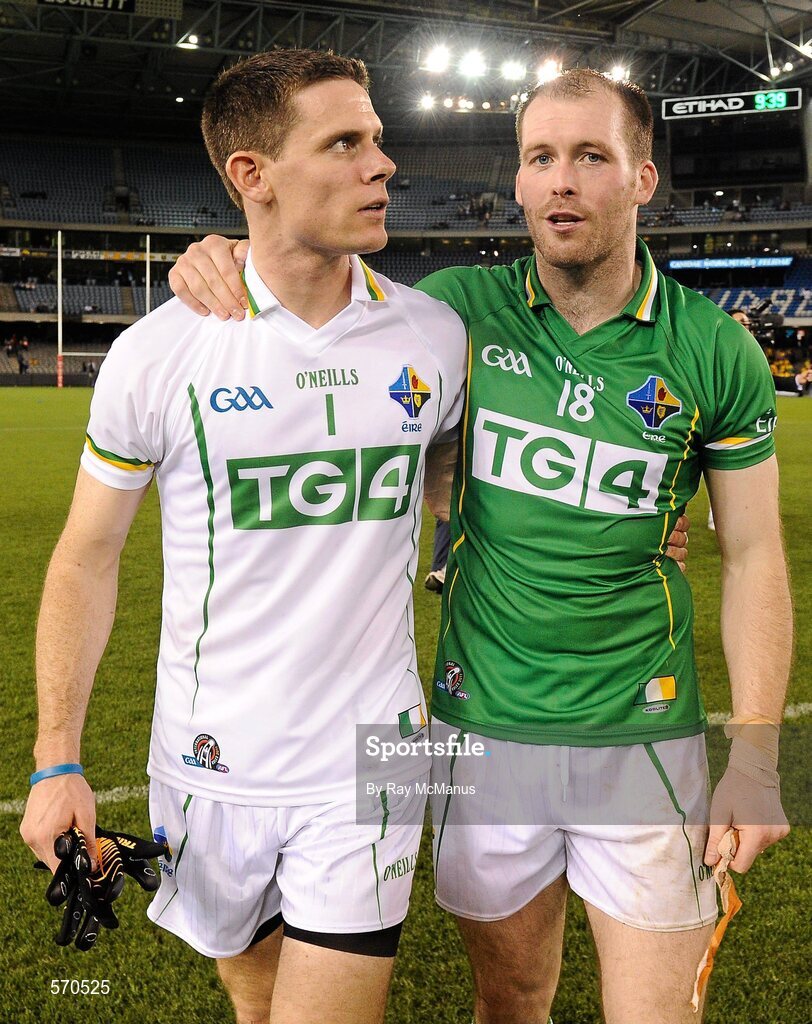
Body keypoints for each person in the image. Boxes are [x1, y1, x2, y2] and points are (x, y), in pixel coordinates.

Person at [169, 69, 791, 1024]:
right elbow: (318, 320)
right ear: (518, 179)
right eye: (540, 158)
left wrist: (754, 759)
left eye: (591, 156)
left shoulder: (714, 350)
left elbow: (753, 555)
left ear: (643, 179)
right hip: (479, 731)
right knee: (509, 999)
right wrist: (217, 256)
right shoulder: (453, 315)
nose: (561, 182)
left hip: (645, 736)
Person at [20, 49, 472, 1024]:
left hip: (372, 748)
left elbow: (446, 464)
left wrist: (454, 517)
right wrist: (58, 755)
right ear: (250, 176)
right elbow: (87, 556)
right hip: (209, 756)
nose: (381, 164)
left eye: (379, 140)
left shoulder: (434, 335)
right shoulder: (159, 352)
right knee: (252, 993)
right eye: (343, 142)